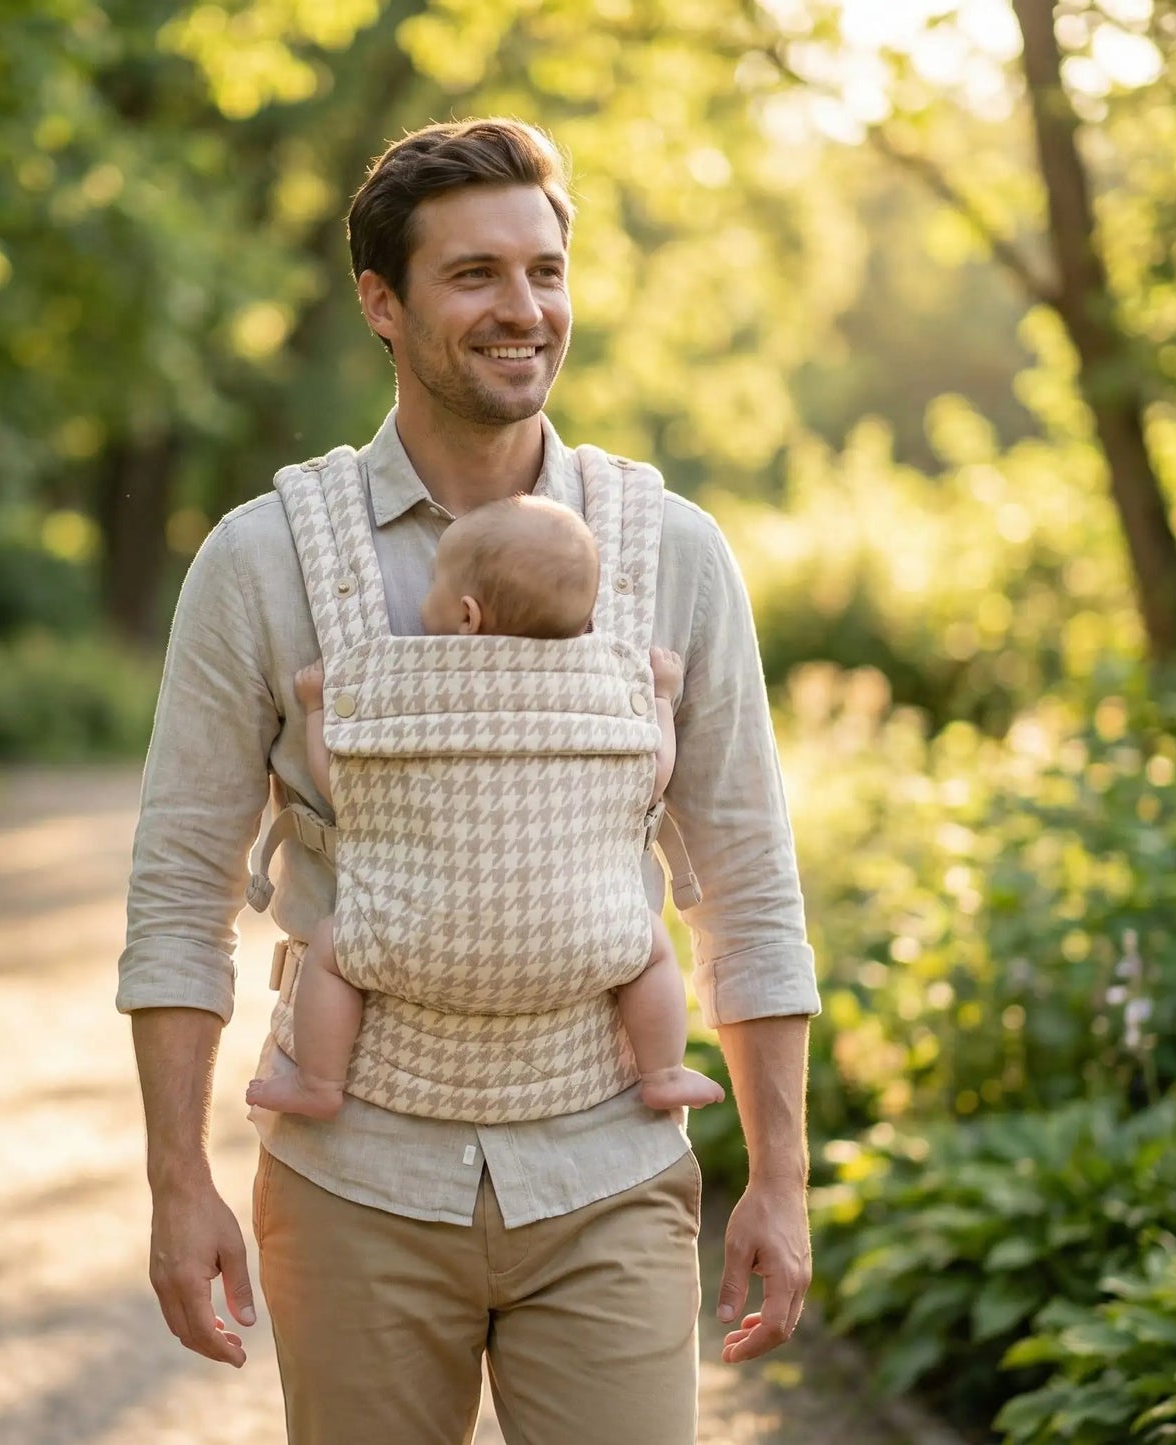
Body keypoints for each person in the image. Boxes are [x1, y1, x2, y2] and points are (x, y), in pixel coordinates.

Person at [118, 117, 820, 1444]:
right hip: (352, 1187)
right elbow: (176, 897)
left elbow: (748, 886)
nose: (523, 310)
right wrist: (176, 1184)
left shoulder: (671, 549)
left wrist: (779, 1181)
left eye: (544, 271)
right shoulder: (262, 560)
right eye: (474, 275)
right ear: (380, 302)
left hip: (610, 1176)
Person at [244, 493, 726, 1122]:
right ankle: (662, 1073)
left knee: (332, 952)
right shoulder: (601, 695)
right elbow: (650, 777)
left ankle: (318, 1084)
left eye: (435, 587)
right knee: (654, 947)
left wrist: (314, 708)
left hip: (414, 943)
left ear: (467, 617)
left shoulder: (407, 692)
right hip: (582, 944)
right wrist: (660, 696)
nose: (424, 600)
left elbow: (342, 788)